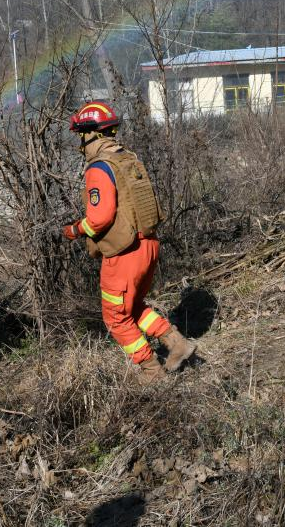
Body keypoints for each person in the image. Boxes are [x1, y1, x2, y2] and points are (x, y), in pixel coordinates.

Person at [62, 101, 196, 383]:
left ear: (91, 134)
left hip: (124, 255)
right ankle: (177, 344)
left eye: (81, 135)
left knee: (114, 317)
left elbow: (99, 218)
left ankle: (151, 371)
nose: (80, 143)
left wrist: (75, 230)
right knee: (132, 307)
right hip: (149, 246)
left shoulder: (99, 167)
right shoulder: (128, 159)